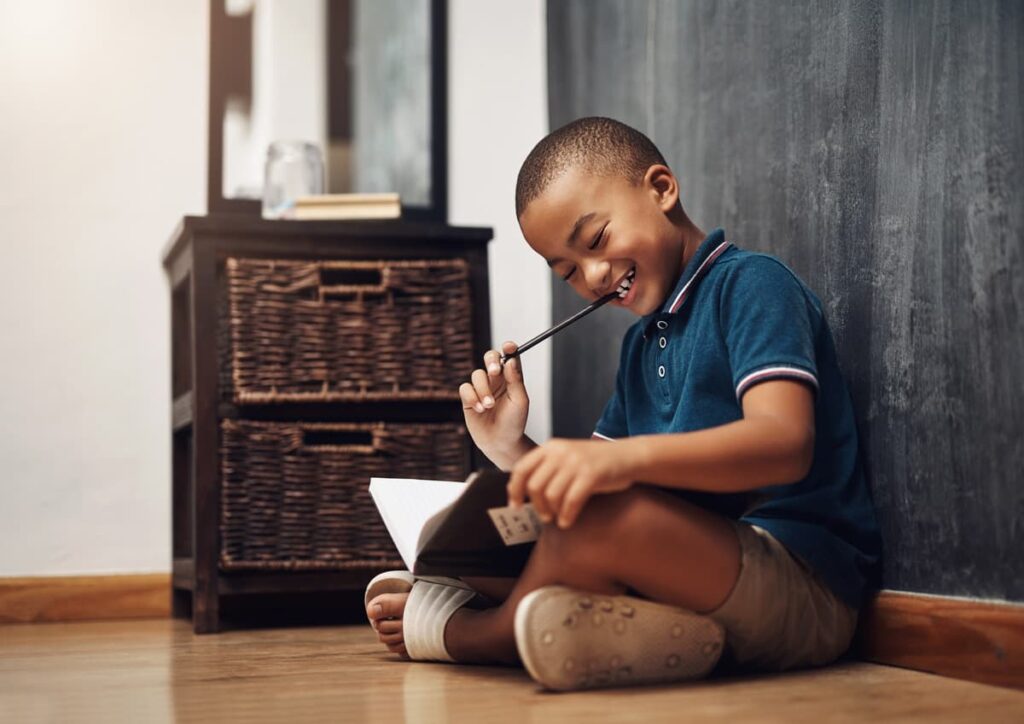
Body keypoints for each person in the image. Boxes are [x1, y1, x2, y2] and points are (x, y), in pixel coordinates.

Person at [365, 116, 880, 691]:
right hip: (690, 577)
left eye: (596, 241)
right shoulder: (640, 344)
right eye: (567, 272)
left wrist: (617, 463)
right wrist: (508, 445)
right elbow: (579, 501)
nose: (591, 277)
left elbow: (785, 445)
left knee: (600, 517)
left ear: (661, 189)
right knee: (483, 542)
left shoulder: (752, 285)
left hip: (801, 585)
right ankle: (631, 629)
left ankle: (479, 634)